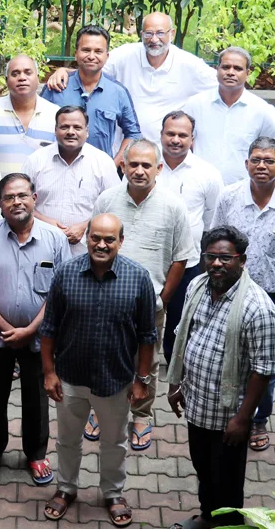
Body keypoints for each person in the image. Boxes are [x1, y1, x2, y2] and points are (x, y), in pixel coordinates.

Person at [40, 213, 155, 527]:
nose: (101, 245)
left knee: (114, 442)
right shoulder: (65, 274)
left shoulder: (138, 277)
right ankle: (66, 488)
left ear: (121, 241)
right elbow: (49, 329)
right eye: (96, 238)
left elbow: (147, 335)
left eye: (109, 239)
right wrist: (49, 373)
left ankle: (113, 493)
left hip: (115, 380)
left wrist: (141, 380)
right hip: (70, 379)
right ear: (87, 236)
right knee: (66, 440)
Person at [167, 226, 275, 529]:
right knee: (203, 468)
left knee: (227, 480)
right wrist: (177, 383)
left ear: (241, 261)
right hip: (197, 403)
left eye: (225, 258)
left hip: (229, 415)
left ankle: (228, 523)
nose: (216, 264)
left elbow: (263, 369)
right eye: (211, 257)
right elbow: (185, 336)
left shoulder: (258, 309)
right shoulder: (197, 286)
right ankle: (207, 517)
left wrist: (244, 419)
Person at [91, 139, 197, 451]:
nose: (139, 171)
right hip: (105, 299)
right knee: (103, 356)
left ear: (159, 169)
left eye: (146, 165)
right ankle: (100, 410)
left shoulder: (174, 207)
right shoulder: (107, 200)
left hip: (149, 303)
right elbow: (93, 246)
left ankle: (141, 414)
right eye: (132, 164)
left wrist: (163, 299)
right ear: (122, 166)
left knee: (145, 362)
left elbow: (181, 258)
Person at [210, 137, 275, 453]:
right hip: (230, 294)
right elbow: (216, 240)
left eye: (269, 160)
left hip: (273, 299)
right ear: (246, 164)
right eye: (256, 160)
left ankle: (258, 420)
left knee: (264, 363)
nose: (262, 166)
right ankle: (222, 412)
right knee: (226, 355)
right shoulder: (228, 197)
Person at [0, 173, 67, 487]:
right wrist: (9, 329)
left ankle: (36, 454)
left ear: (35, 198)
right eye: (9, 197)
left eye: (22, 195)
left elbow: (60, 292)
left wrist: (31, 329)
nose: (16, 202)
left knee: (37, 396)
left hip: (40, 339)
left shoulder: (55, 239)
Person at [46, 12, 217, 143]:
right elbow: (92, 68)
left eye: (160, 33)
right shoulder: (125, 55)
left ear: (171, 33)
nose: (154, 39)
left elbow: (222, 84)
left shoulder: (189, 64)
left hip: (168, 151)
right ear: (141, 34)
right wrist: (63, 71)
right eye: (149, 33)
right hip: (128, 154)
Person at [154, 110, 224, 362]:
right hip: (150, 259)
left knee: (180, 317)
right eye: (170, 133)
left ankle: (175, 363)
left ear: (192, 139)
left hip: (188, 262)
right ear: (160, 135)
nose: (175, 139)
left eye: (182, 135)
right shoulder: (147, 167)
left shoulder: (208, 174)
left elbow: (211, 221)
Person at [21, 106, 119, 256]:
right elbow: (20, 203)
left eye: (77, 127)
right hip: (41, 249)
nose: (71, 132)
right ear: (55, 130)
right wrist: (45, 223)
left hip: (88, 253)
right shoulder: (36, 161)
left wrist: (86, 226)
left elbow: (115, 206)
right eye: (65, 127)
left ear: (87, 131)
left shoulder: (103, 162)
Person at [183, 47, 275, 186]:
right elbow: (183, 144)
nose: (230, 72)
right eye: (226, 67)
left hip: (243, 190)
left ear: (247, 73)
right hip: (199, 187)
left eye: (237, 68)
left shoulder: (262, 110)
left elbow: (273, 150)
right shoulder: (194, 105)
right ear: (217, 69)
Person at [39, 26, 141, 166]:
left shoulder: (118, 92)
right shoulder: (56, 87)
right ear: (76, 54)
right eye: (86, 50)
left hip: (100, 174)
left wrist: (112, 165)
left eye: (98, 51)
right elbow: (37, 124)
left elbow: (133, 134)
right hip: (56, 168)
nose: (91, 56)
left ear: (107, 56)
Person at [0, 54, 60, 173]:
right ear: (6, 80)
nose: (22, 78)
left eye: (28, 72)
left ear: (38, 78)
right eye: (15, 74)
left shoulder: (56, 115)